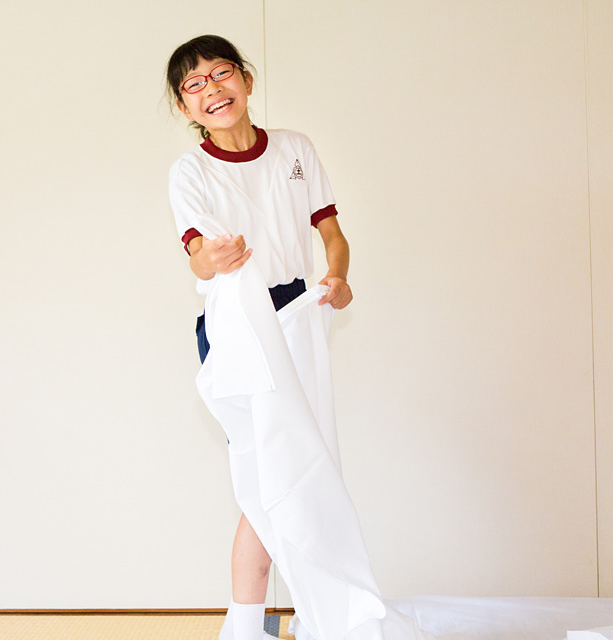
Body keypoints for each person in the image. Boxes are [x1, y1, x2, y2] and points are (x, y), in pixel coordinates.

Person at [166, 35, 431, 640]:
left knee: (295, 471)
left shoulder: (294, 149)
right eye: (195, 85)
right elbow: (197, 256)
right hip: (238, 324)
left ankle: (257, 623)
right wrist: (215, 258)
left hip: (295, 315)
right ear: (184, 107)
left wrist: (338, 276)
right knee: (267, 476)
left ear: (246, 79)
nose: (213, 90)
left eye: (221, 74)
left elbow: (331, 234)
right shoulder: (190, 171)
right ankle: (249, 626)